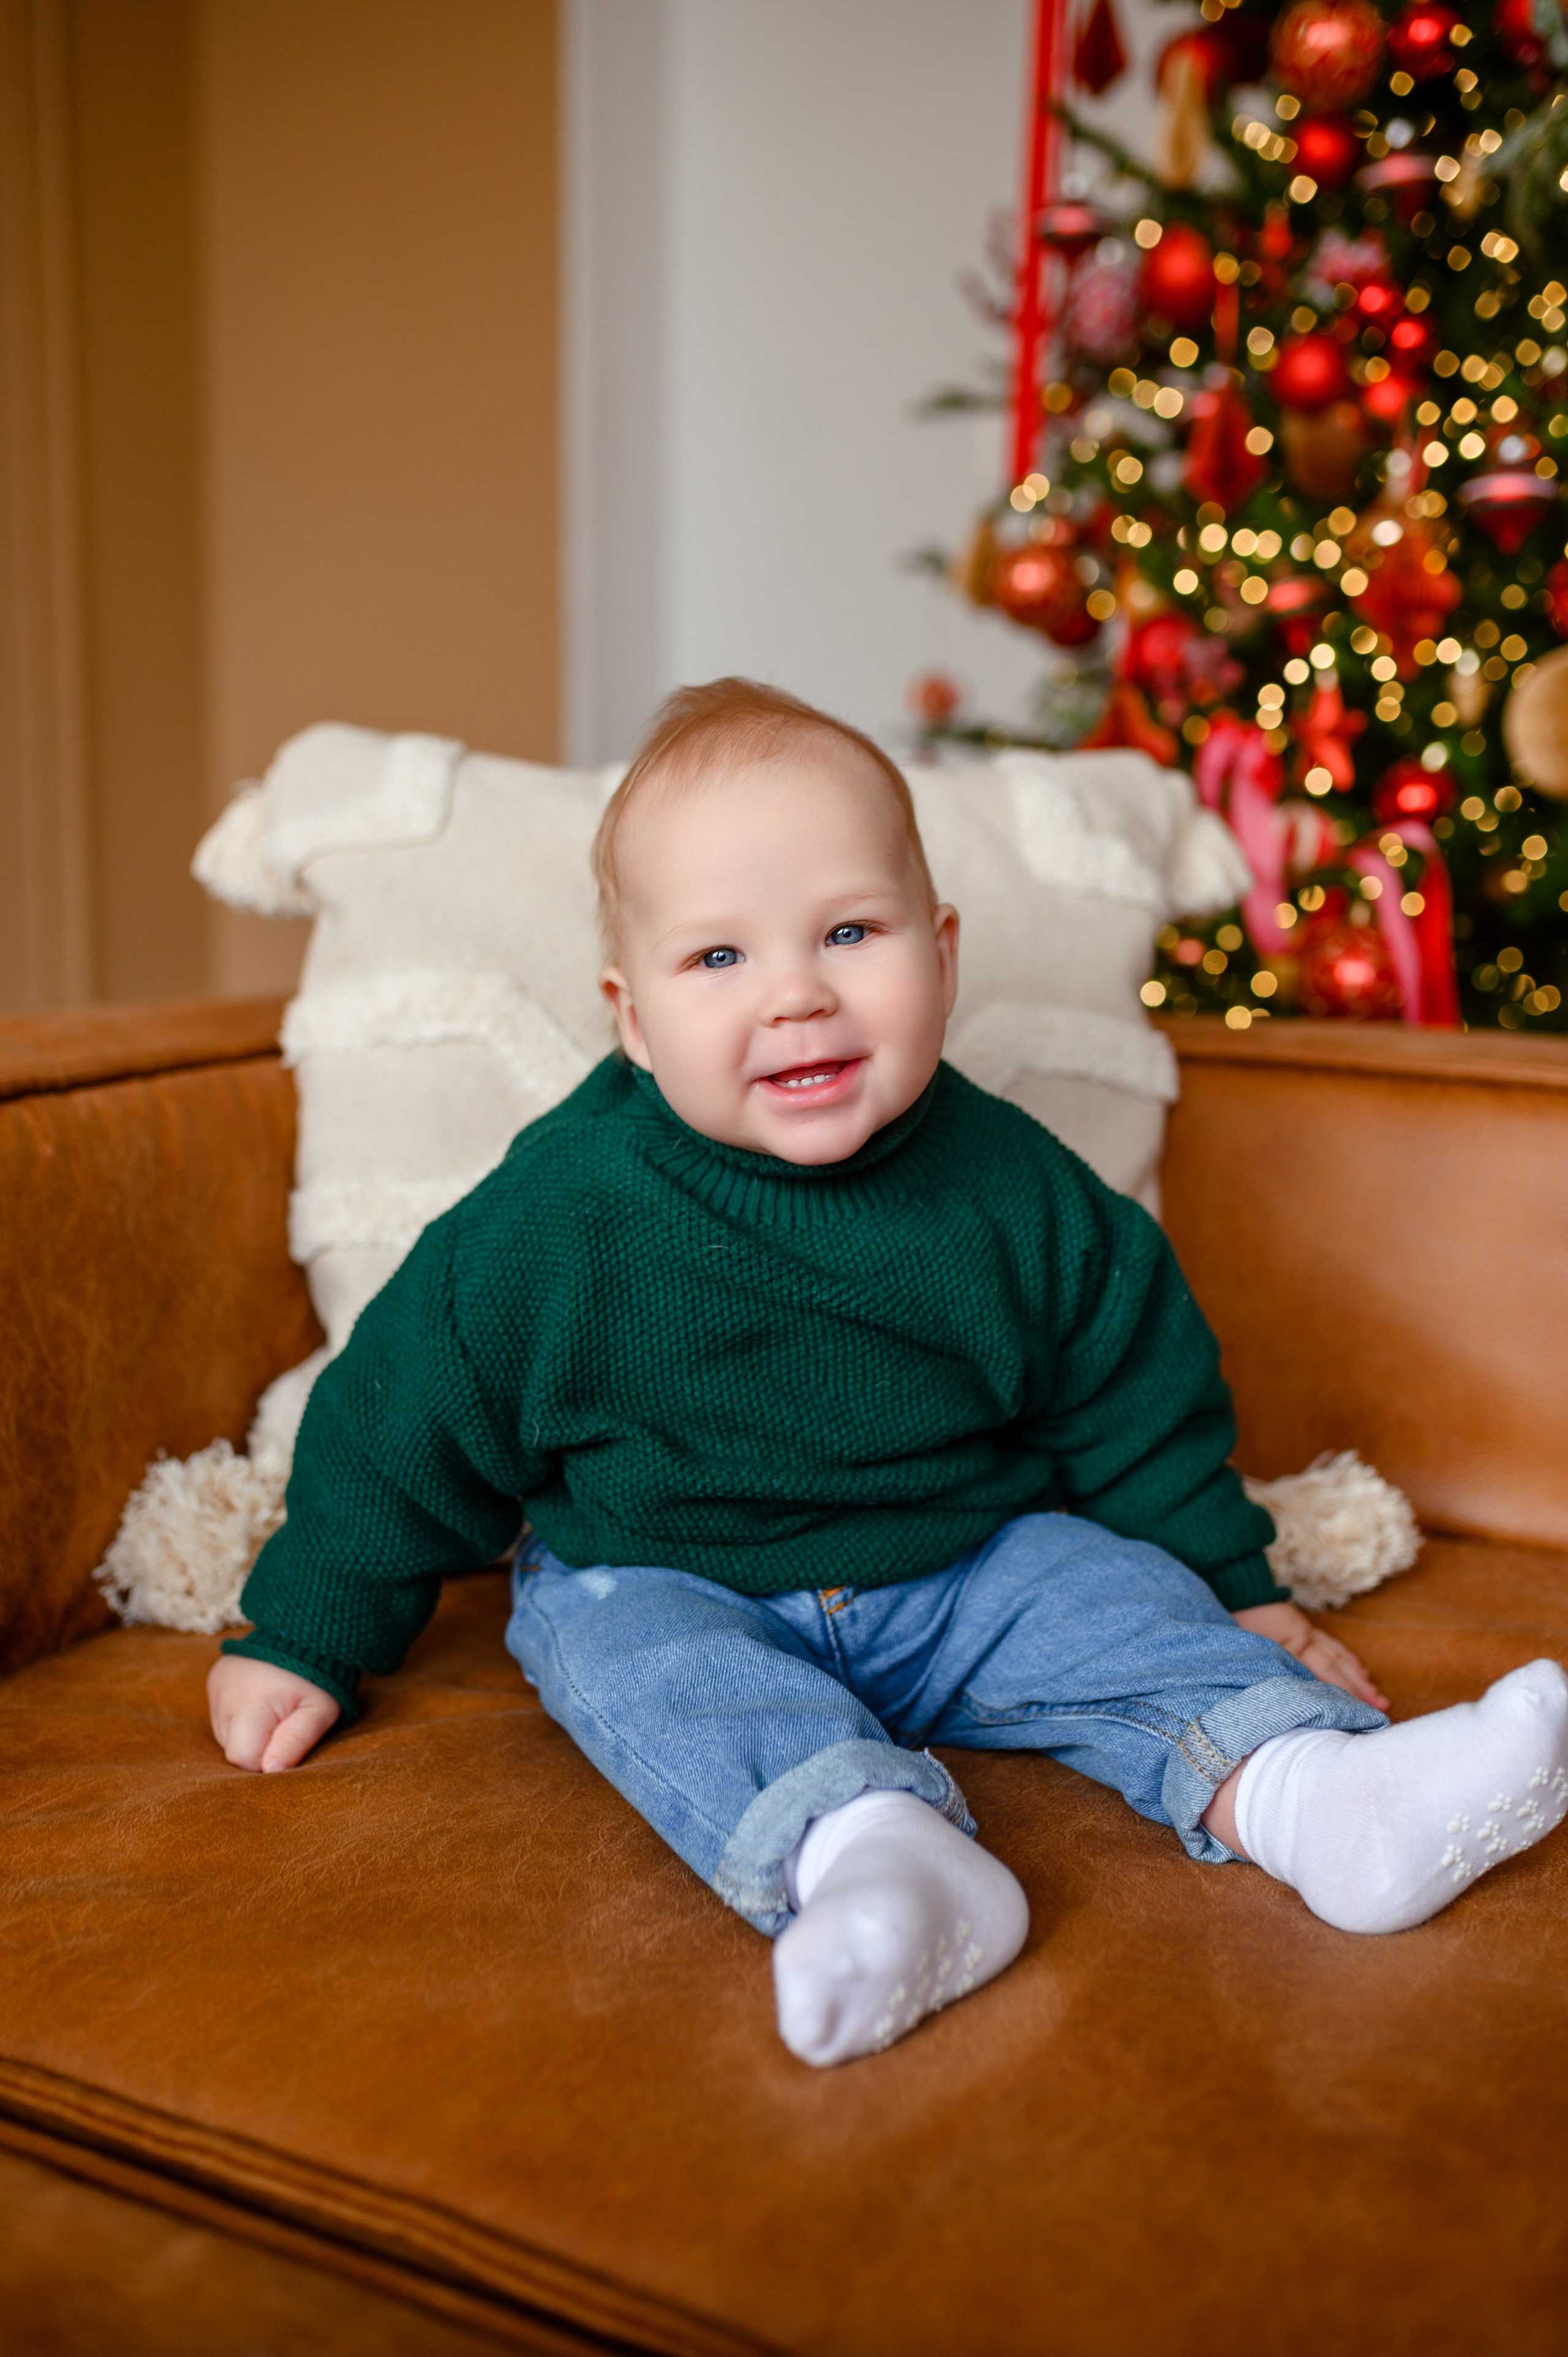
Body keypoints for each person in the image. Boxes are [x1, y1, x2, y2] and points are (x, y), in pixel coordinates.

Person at [208, 677, 1568, 2068]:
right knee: (628, 1655)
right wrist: (307, 1631)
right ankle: (874, 1854)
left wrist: (1243, 1591)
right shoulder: (557, 1218)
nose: (796, 992)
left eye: (848, 932)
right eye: (717, 960)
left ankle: (1312, 1795)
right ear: (629, 1018)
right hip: (669, 1564)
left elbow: (1132, 1399)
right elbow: (400, 1421)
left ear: (943, 954)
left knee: (1107, 1597)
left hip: (966, 1565)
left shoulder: (1014, 1191)